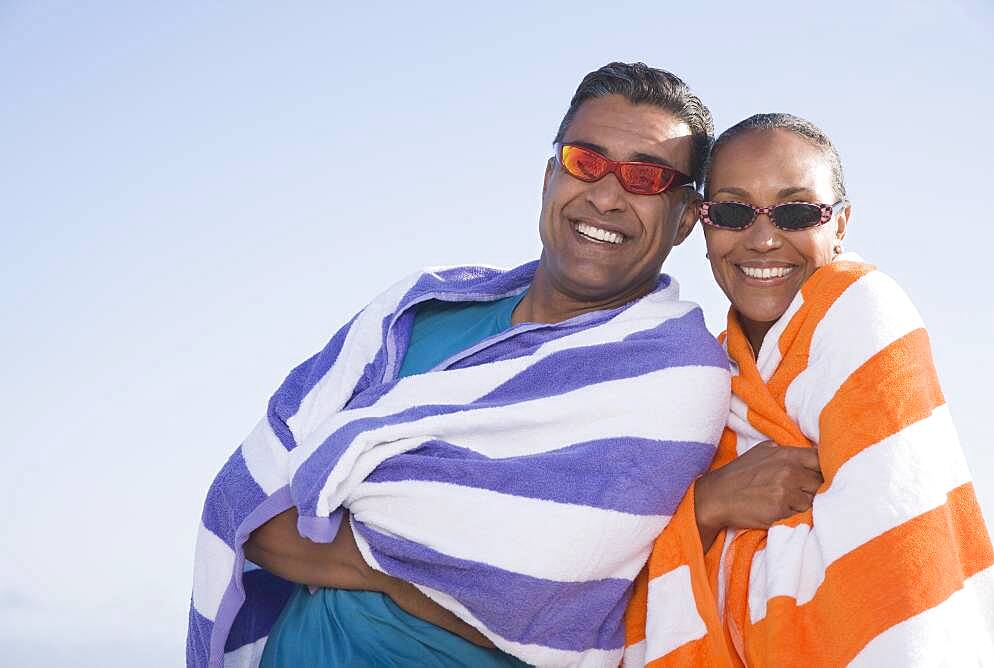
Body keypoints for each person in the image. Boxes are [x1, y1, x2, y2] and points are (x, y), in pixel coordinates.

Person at [187, 62, 735, 668]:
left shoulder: (675, 376)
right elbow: (249, 505)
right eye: (586, 162)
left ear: (686, 218)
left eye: (646, 177)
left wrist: (380, 564)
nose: (606, 196)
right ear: (550, 177)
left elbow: (540, 593)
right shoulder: (418, 311)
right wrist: (417, 567)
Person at [624, 113, 994, 666]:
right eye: (731, 211)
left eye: (797, 212)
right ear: (704, 227)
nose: (762, 238)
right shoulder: (699, 376)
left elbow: (894, 568)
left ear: (841, 224)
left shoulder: (861, 309)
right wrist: (709, 506)